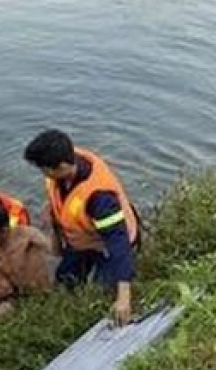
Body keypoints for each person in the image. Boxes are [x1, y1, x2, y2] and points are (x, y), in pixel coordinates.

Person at [25, 130, 140, 326]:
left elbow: (118, 243)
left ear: (60, 167)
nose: (42, 173)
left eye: (43, 169)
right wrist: (55, 235)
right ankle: (64, 315)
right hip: (82, 238)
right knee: (65, 279)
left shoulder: (100, 198)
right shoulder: (65, 163)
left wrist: (123, 298)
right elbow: (61, 204)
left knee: (99, 294)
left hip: (107, 245)